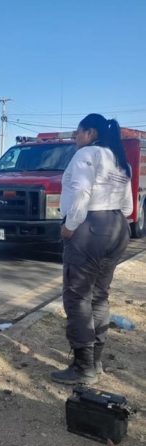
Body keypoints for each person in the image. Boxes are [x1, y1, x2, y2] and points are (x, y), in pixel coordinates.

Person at [51, 113, 133, 385]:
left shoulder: (87, 155)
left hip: (90, 229)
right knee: (99, 296)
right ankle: (95, 363)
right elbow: (129, 206)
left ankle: (82, 368)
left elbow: (82, 193)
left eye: (78, 132)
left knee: (77, 298)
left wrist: (70, 226)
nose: (76, 137)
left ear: (90, 133)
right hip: (117, 227)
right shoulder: (119, 159)